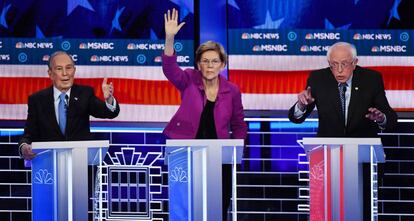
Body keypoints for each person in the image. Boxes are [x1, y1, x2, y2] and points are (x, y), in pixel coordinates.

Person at [163, 8, 247, 220]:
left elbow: (238, 124)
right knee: (184, 205)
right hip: (185, 151)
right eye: (205, 61)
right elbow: (169, 69)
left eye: (214, 61)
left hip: (219, 154)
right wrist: (170, 38)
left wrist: (235, 151)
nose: (210, 66)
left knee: (218, 205)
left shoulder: (232, 90)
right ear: (198, 64)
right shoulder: (189, 79)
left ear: (222, 64)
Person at [19, 51, 120, 160]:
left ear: (74, 70)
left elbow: (108, 113)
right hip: (48, 164)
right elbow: (29, 134)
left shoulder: (85, 94)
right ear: (50, 74)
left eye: (68, 68)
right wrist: (24, 147)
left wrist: (109, 99)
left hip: (80, 163)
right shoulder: (37, 100)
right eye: (59, 69)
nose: (65, 73)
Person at [288, 41, 397, 137]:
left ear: (354, 63)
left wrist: (381, 118)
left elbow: (391, 119)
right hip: (328, 151)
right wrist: (301, 105)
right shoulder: (318, 79)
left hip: (362, 150)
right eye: (334, 64)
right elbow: (296, 119)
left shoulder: (371, 79)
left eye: (344, 64)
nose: (339, 70)